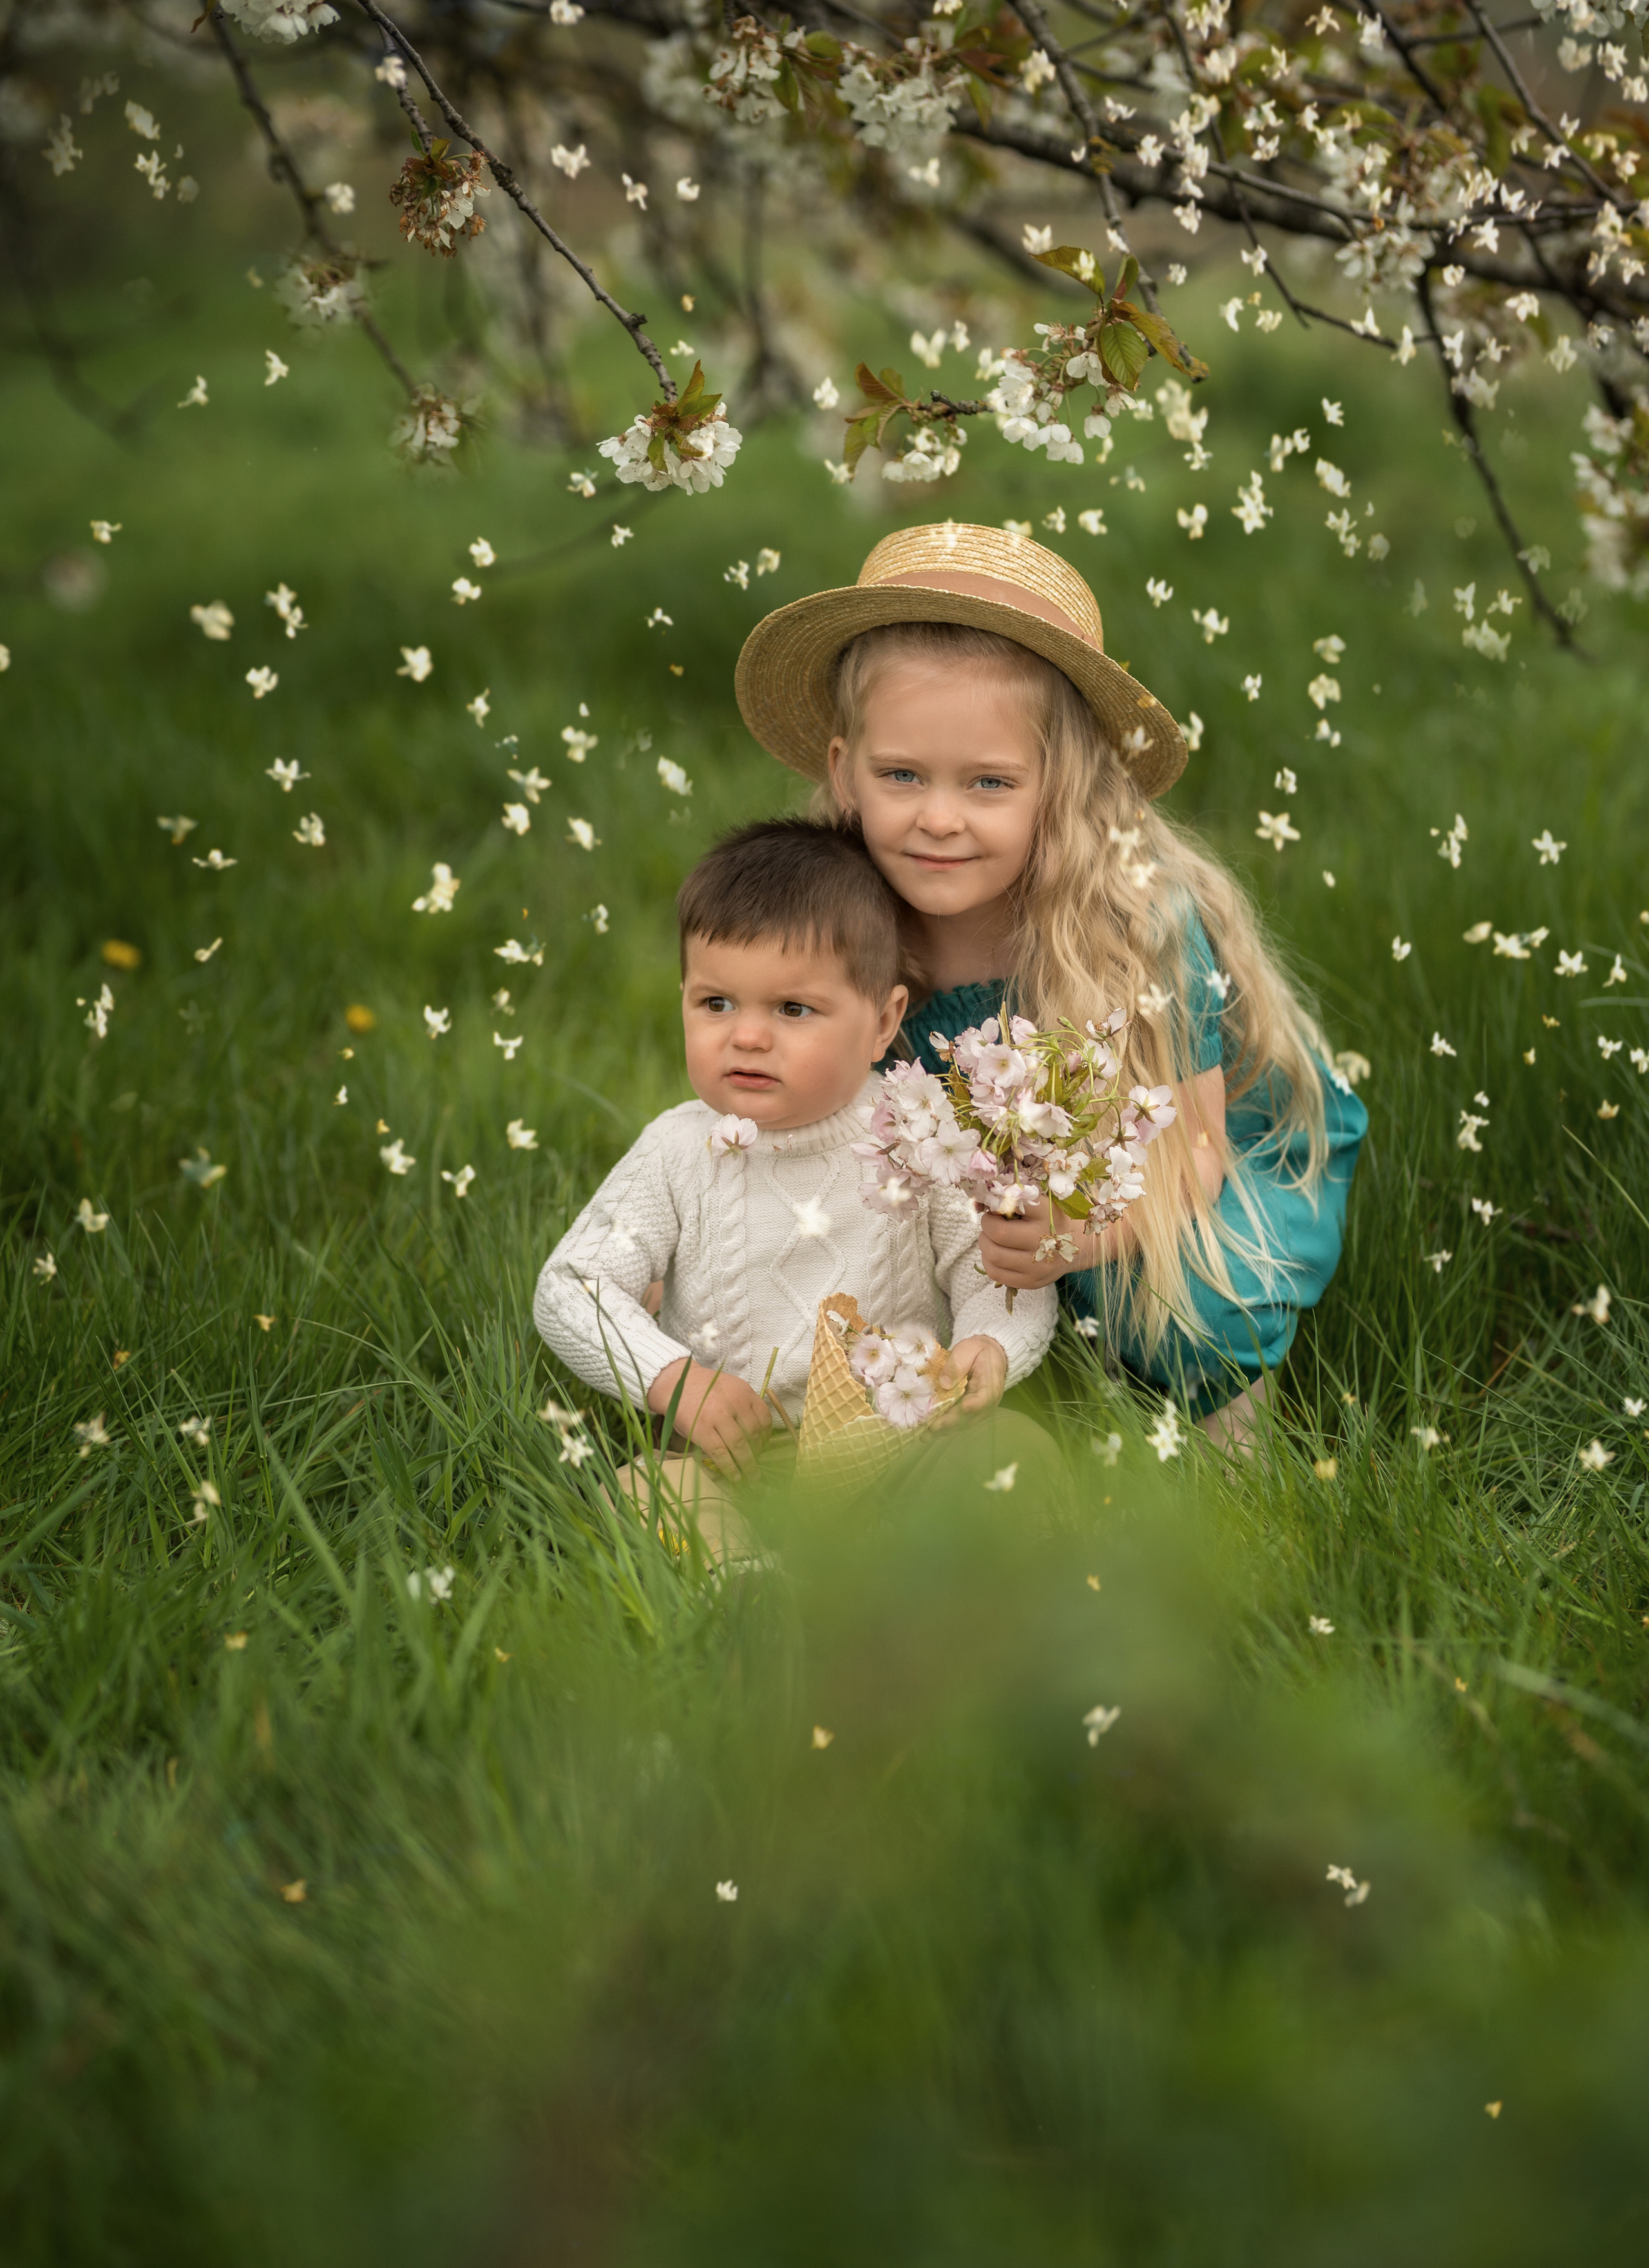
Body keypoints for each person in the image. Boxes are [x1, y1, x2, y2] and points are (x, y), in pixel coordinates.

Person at [735, 522, 1369, 1454]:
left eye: (989, 783)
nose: (938, 818)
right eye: (901, 774)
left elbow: (1188, 1148)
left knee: (1172, 1301)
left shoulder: (1132, 922)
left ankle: (1239, 1462)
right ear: (843, 771)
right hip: (1010, 1176)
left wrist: (1078, 1240)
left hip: (1197, 1159)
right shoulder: (838, 915)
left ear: (1059, 787)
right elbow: (790, 1074)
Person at [533, 819, 1056, 1546]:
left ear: (882, 1021)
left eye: (792, 1009)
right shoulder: (678, 1151)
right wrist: (673, 1377)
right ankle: (748, 1594)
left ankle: (921, 1586)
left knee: (1017, 1447)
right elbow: (571, 1286)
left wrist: (988, 1343)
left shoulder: (915, 1125)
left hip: (904, 1441)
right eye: (716, 1003)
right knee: (645, 1486)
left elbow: (994, 1269)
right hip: (738, 1458)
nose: (746, 1035)